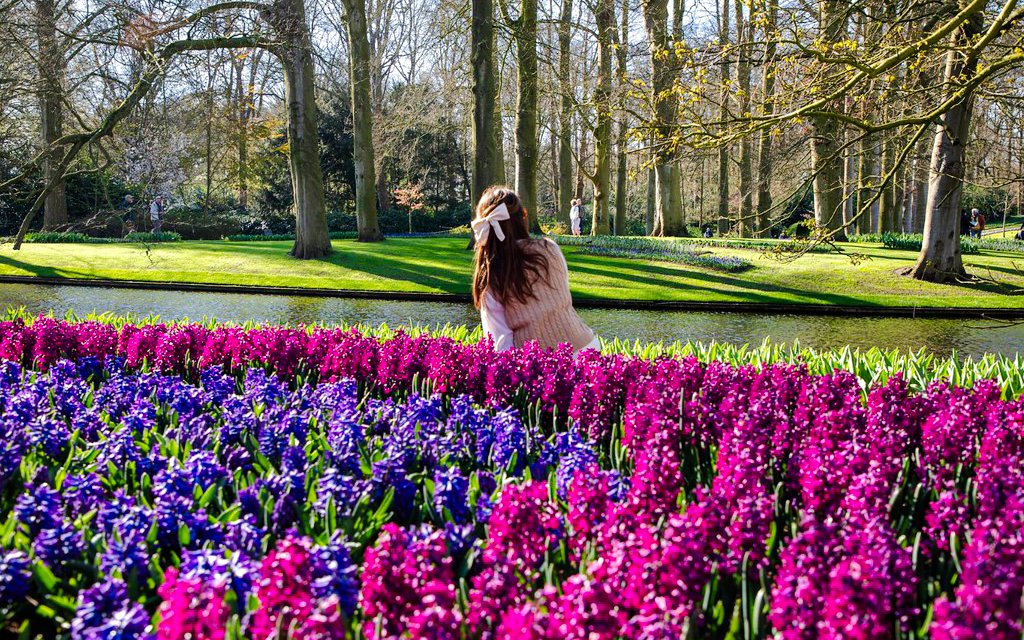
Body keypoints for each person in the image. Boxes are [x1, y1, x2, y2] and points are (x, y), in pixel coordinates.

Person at [473, 185, 598, 353]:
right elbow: (562, 294)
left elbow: (501, 342)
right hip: (586, 347)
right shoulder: (550, 248)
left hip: (540, 361)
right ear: (524, 215)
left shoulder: (493, 273)